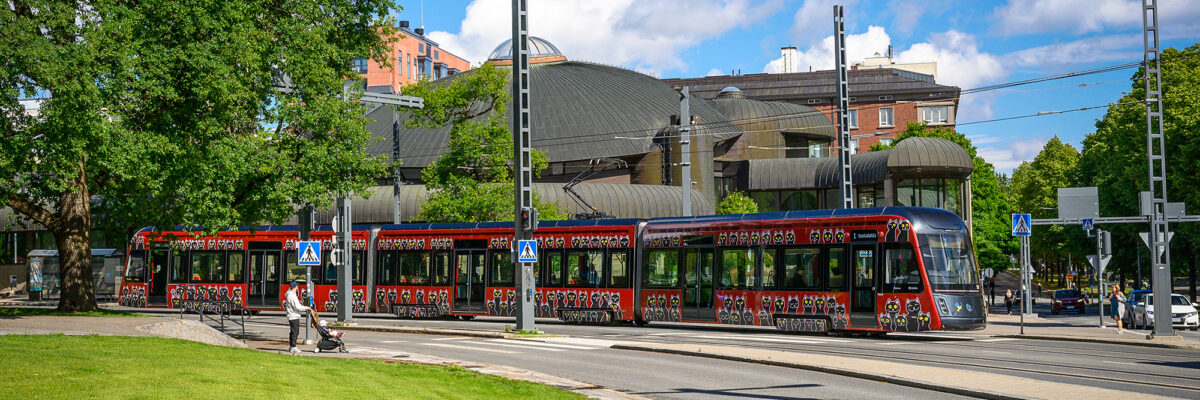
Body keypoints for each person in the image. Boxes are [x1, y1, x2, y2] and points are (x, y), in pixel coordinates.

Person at [284, 281, 311, 354]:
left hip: (292, 315)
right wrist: (306, 308)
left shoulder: (290, 295)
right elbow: (297, 307)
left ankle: (292, 346)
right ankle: (293, 347)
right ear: (295, 287)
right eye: (297, 286)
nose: (298, 287)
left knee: (293, 332)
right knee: (295, 332)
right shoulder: (291, 295)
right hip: (293, 316)